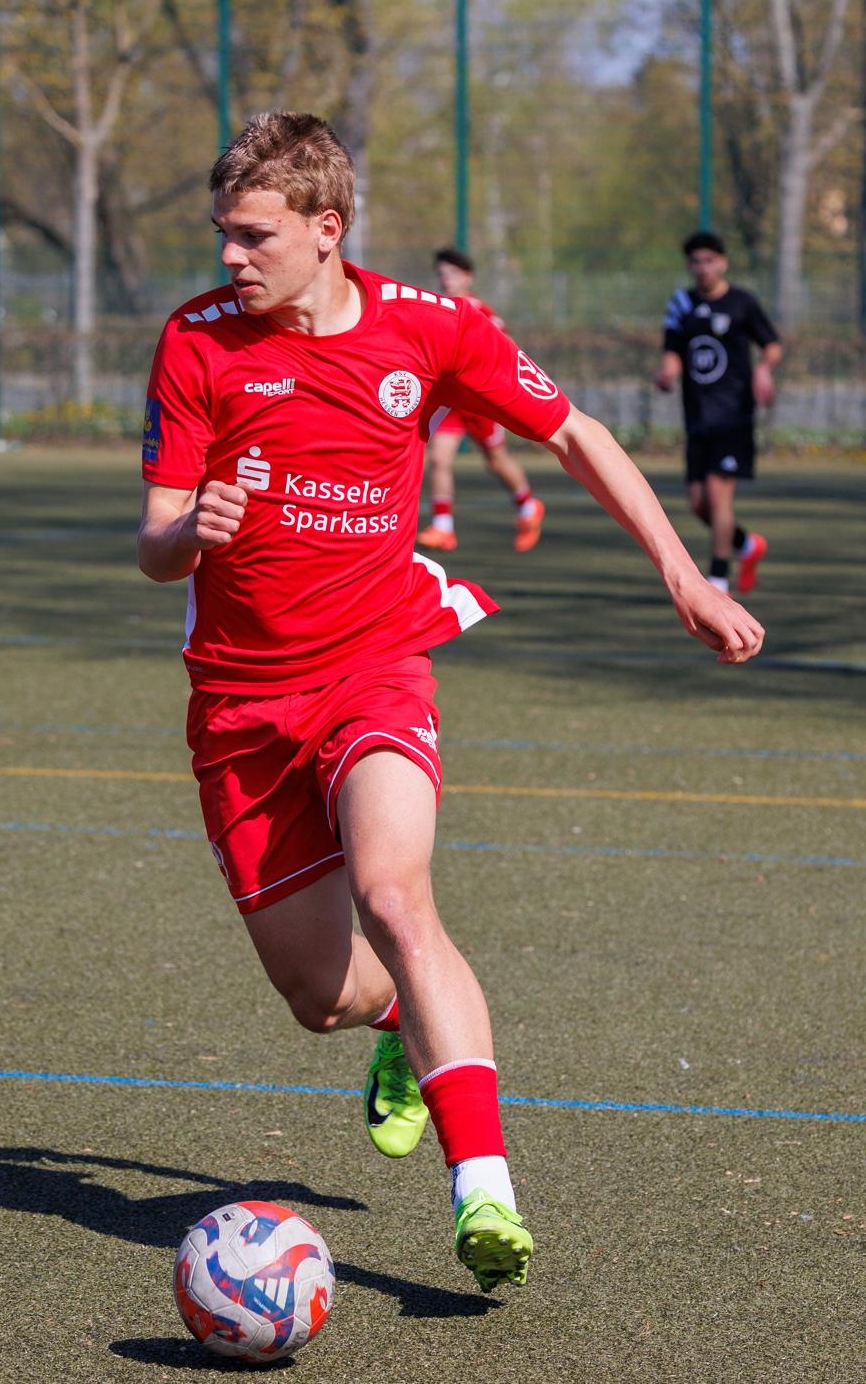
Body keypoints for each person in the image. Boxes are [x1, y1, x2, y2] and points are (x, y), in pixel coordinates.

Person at [138, 112, 763, 1292]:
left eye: (254, 235)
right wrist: (190, 533)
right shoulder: (196, 340)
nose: (230, 255)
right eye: (223, 233)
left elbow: (573, 431)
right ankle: (394, 1030)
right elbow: (153, 543)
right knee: (319, 996)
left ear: (327, 228)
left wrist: (683, 574)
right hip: (238, 702)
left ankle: (484, 1189)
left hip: (376, 660)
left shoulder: (431, 327)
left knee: (394, 893)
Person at [654, 231, 781, 594]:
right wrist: (667, 373)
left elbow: (772, 345)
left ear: (723, 263)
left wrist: (763, 369)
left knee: (717, 494)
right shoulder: (682, 303)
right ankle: (746, 544)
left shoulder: (742, 302)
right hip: (697, 416)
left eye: (710, 261)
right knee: (698, 503)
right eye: (696, 262)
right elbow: (672, 350)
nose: (703, 268)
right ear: (689, 266)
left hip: (733, 415)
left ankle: (718, 579)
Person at [416, 248, 546, 554]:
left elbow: (507, 348)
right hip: (450, 402)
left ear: (468, 277)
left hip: (477, 400)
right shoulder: (437, 309)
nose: (446, 279)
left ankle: (528, 507)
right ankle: (443, 527)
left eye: (452, 273)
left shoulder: (479, 311)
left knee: (496, 460)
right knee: (438, 459)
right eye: (442, 273)